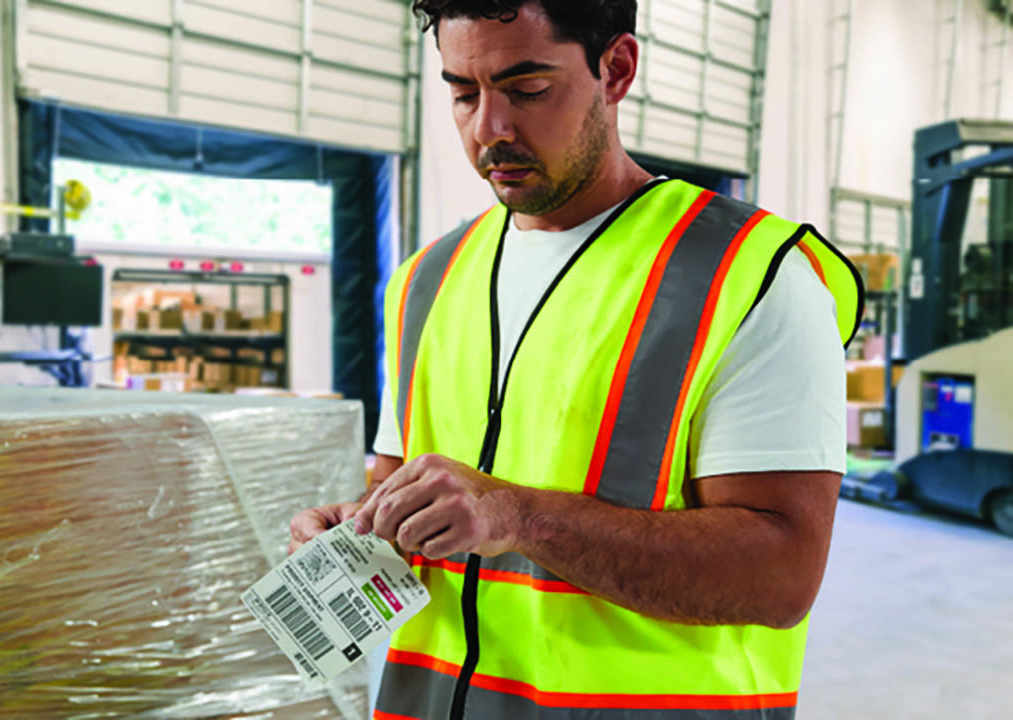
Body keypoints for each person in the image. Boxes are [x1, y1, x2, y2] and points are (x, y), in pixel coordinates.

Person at [289, 1, 864, 718]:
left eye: (526, 88)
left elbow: (782, 577)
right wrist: (359, 527)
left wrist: (518, 517)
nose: (488, 129)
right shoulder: (424, 281)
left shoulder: (751, 277)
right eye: (463, 93)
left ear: (615, 69)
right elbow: (400, 490)